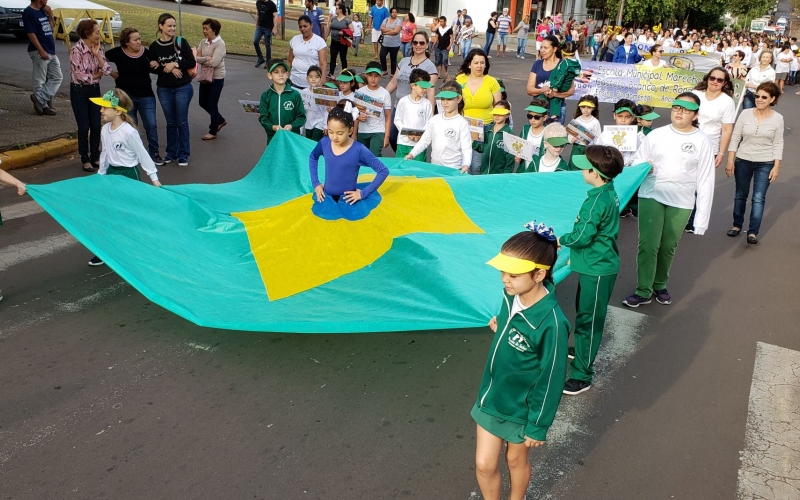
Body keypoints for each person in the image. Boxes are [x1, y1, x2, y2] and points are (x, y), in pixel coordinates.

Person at [473, 222, 569, 500]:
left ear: (539, 274)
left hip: (522, 408)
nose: (505, 279)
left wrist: (538, 425)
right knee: (484, 463)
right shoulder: (510, 293)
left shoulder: (552, 324)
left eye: (513, 274)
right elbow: (510, 321)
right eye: (503, 270)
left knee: (515, 460)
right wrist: (501, 324)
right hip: (491, 396)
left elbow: (551, 377)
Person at [623, 94, 715, 308]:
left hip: (681, 200)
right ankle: (643, 290)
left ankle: (659, 285)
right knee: (648, 245)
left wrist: (701, 220)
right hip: (652, 194)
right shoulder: (656, 135)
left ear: (695, 114)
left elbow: (706, 180)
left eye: (685, 109)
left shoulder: (702, 141)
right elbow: (638, 159)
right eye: (676, 107)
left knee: (667, 247)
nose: (679, 112)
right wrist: (643, 164)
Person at [559, 146, 623, 395]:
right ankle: (581, 351)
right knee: (584, 311)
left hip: (597, 268)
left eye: (584, 166)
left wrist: (559, 240)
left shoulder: (595, 201)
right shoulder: (607, 193)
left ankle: (582, 374)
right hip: (593, 264)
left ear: (594, 172)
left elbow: (581, 236)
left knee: (589, 320)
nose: (581, 170)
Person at [87, 89, 161, 266]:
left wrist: (154, 177)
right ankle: (106, 251)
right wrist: (101, 174)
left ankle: (141, 246)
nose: (101, 111)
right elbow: (105, 153)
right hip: (112, 174)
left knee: (131, 214)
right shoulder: (105, 129)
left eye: (105, 108)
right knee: (109, 213)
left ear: (118, 111)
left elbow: (142, 154)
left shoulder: (128, 132)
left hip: (128, 174)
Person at [309, 103, 389, 222]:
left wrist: (363, 194)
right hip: (326, 199)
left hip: (350, 203)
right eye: (331, 132)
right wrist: (316, 183)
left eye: (340, 133)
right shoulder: (324, 143)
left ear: (350, 130)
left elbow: (383, 171)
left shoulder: (359, 150)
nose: (334, 137)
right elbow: (312, 157)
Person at [726, 82, 784, 245]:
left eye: (764, 97)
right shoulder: (745, 114)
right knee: (740, 194)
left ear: (772, 99)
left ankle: (752, 232)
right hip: (743, 160)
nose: (759, 99)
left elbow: (778, 143)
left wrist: (776, 166)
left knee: (758, 198)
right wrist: (730, 159)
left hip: (765, 162)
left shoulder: (778, 118)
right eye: (757, 96)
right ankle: (737, 225)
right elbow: (736, 137)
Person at [106, 28, 162, 165]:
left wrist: (157, 64)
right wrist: (110, 72)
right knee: (130, 127)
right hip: (126, 98)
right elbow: (100, 58)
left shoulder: (147, 54)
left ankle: (154, 153)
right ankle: (133, 153)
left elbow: (158, 69)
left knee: (151, 125)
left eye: (139, 38)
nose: (139, 42)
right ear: (126, 42)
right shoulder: (117, 53)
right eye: (135, 40)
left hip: (145, 95)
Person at [150, 13, 196, 167]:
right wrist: (166, 67)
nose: (172, 28)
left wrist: (175, 65)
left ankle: (183, 154)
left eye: (174, 26)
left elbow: (191, 61)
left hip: (182, 87)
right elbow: (153, 67)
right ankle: (171, 153)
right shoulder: (154, 46)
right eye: (169, 25)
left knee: (181, 121)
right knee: (171, 122)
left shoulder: (180, 42)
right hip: (164, 89)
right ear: (160, 26)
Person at [70, 19, 112, 173]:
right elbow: (80, 75)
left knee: (96, 124)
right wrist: (97, 74)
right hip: (79, 90)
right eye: (96, 32)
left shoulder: (97, 48)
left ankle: (95, 156)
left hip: (94, 89)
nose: (99, 34)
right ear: (87, 34)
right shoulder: (76, 50)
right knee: (83, 126)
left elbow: (107, 70)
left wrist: (98, 56)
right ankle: (84, 158)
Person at [385, 31, 438, 151]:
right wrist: (380, 96)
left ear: (426, 45)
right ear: (412, 44)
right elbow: (393, 82)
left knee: (413, 141)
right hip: (398, 107)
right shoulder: (404, 61)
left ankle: (411, 163)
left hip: (416, 110)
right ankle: (403, 158)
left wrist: (430, 116)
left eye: (421, 43)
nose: (418, 45)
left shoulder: (430, 67)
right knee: (394, 138)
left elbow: (430, 92)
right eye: (415, 42)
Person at [405, 82, 472, 173]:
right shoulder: (435, 120)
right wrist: (412, 154)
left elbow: (466, 147)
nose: (445, 103)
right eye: (443, 99)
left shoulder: (462, 123)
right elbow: (425, 140)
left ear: (459, 98)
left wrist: (466, 164)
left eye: (450, 99)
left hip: (453, 169)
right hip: (435, 168)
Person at [456, 48, 502, 173]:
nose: (479, 66)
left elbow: (499, 108)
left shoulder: (492, 82)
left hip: (484, 128)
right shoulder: (459, 80)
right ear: (469, 64)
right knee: (461, 163)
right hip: (463, 126)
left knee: (476, 165)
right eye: (476, 63)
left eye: (482, 62)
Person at [526, 35, 576, 125]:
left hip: (558, 109)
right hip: (538, 109)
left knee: (554, 137)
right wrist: (543, 90)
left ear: (554, 49)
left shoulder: (564, 65)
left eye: (545, 48)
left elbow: (571, 90)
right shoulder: (537, 64)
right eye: (541, 47)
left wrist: (554, 94)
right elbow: (529, 89)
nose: (542, 50)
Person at [23, 0, 61, 117]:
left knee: (57, 77)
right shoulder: (29, 12)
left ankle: (39, 98)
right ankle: (43, 105)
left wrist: (50, 15)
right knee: (40, 79)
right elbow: (31, 34)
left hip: (51, 50)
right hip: (39, 51)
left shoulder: (43, 11)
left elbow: (51, 28)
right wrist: (41, 50)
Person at [259, 59, 306, 144]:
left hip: (292, 138)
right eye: (276, 72)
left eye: (283, 72)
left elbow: (301, 117)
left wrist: (291, 126)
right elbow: (263, 118)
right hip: (273, 138)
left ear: (287, 74)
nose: (280, 75)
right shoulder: (265, 96)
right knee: (274, 157)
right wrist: (273, 127)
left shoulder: (295, 94)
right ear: (270, 75)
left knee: (290, 157)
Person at [196, 18, 227, 141]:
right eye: (203, 28)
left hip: (217, 77)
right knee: (202, 102)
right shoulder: (203, 42)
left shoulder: (220, 44)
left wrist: (204, 59)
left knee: (212, 103)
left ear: (214, 30)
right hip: (205, 76)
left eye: (206, 29)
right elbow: (195, 58)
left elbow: (214, 62)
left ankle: (213, 130)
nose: (204, 31)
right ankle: (220, 120)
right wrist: (206, 58)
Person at [394, 69, 433, 160]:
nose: (424, 90)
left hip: (419, 144)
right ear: (413, 86)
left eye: (426, 87)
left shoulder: (427, 104)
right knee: (401, 168)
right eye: (422, 87)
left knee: (418, 169)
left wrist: (419, 135)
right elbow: (397, 120)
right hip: (403, 142)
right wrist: (407, 133)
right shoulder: (403, 101)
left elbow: (429, 123)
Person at [355, 62, 392, 157]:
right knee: (363, 158)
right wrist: (359, 117)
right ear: (366, 75)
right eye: (370, 75)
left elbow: (388, 116)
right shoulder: (360, 92)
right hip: (362, 131)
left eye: (376, 76)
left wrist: (386, 136)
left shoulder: (384, 93)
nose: (373, 78)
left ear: (380, 76)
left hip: (378, 130)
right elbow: (355, 112)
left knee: (374, 156)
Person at [544, 41, 581, 121]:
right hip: (567, 84)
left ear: (562, 53)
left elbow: (561, 76)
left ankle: (554, 116)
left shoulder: (565, 63)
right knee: (555, 98)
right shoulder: (576, 63)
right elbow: (577, 72)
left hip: (559, 84)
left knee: (555, 98)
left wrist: (555, 87)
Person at [288, 15, 328, 89]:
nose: (303, 29)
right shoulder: (294, 39)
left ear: (311, 25)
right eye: (300, 27)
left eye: (305, 26)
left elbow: (323, 63)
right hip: (293, 81)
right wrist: (285, 75)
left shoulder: (319, 42)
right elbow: (290, 61)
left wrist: (322, 81)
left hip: (311, 84)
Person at [479, 102, 515, 174]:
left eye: (500, 114)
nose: (497, 116)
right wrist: (472, 142)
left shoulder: (509, 134)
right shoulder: (488, 130)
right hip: (484, 172)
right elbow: (482, 148)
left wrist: (506, 175)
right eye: (495, 113)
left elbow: (510, 159)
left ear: (507, 115)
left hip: (499, 175)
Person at [567, 96, 601, 170]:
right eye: (583, 107)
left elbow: (598, 138)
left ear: (593, 108)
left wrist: (595, 149)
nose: (586, 110)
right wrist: (571, 139)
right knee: (574, 166)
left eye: (589, 107)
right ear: (580, 107)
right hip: (577, 147)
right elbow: (569, 135)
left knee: (587, 167)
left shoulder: (595, 122)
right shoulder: (576, 121)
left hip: (589, 149)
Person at [517, 100, 548, 172]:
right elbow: (520, 148)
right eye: (530, 116)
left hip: (539, 171)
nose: (532, 120)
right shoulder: (525, 129)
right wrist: (518, 156)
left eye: (537, 117)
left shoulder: (548, 133)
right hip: (524, 170)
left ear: (545, 117)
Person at [328, 3, 354, 78]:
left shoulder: (346, 20)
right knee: (333, 57)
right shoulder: (333, 18)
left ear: (340, 10)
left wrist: (344, 32)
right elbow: (329, 28)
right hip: (334, 41)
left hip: (342, 42)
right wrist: (325, 37)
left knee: (343, 58)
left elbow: (352, 30)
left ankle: (344, 73)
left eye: (336, 8)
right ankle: (331, 73)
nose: (335, 10)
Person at [301, 65, 325, 141]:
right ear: (307, 79)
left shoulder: (324, 93)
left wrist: (326, 125)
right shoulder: (304, 92)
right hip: (308, 122)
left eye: (317, 77)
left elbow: (326, 111)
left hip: (319, 123)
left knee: (314, 143)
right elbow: (301, 110)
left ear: (320, 79)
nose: (313, 79)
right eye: (311, 77)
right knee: (308, 142)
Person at [253, 0, 278, 68]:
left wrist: (275, 28)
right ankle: (260, 58)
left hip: (268, 28)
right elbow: (257, 14)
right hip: (260, 27)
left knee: (267, 44)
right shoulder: (258, 2)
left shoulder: (271, 4)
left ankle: (268, 62)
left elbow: (275, 16)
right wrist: (256, 26)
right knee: (255, 41)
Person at [379, 8, 403, 76]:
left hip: (395, 44)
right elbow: (381, 28)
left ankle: (393, 73)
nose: (394, 13)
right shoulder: (386, 20)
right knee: (382, 55)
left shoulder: (398, 21)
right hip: (385, 43)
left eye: (396, 12)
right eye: (393, 12)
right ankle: (384, 70)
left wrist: (386, 32)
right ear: (390, 13)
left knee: (393, 58)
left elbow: (396, 31)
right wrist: (391, 29)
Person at [434, 16, 453, 80]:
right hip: (439, 47)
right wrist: (433, 44)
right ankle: (439, 74)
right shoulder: (438, 29)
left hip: (445, 47)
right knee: (438, 61)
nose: (441, 23)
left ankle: (446, 71)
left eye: (442, 21)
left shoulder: (449, 29)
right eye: (440, 21)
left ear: (445, 21)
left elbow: (451, 38)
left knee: (444, 60)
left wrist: (450, 45)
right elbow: (436, 37)